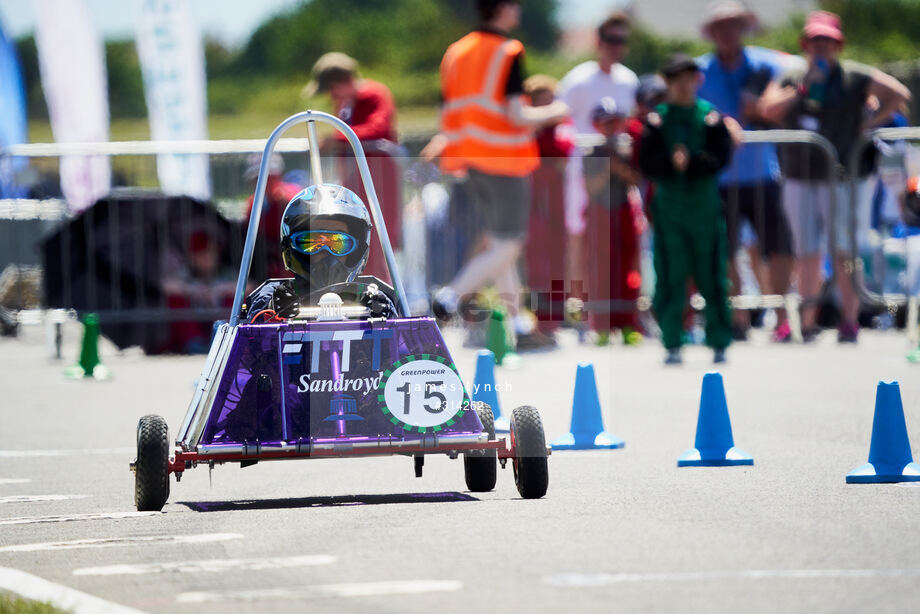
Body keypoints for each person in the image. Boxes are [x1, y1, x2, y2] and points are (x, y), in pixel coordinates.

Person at [759, 10, 911, 343]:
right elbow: (767, 109)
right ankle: (809, 321)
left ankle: (849, 319)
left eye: (827, 40)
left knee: (844, 249)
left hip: (843, 178)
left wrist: (870, 123)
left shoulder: (854, 75)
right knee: (807, 251)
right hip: (800, 176)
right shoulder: (793, 75)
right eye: (815, 40)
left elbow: (898, 93)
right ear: (805, 44)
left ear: (838, 44)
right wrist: (803, 88)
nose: (821, 47)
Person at [430, 0, 569, 350]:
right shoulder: (508, 51)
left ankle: (519, 325)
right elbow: (517, 115)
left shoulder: (455, 52)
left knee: (499, 244)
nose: (519, 10)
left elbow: (448, 110)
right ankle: (448, 299)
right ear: (503, 8)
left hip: (470, 160)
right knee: (509, 244)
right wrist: (558, 111)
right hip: (504, 161)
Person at [697, 1, 796, 342]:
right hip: (720, 178)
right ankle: (737, 318)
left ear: (744, 28)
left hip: (762, 173)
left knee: (778, 247)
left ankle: (782, 316)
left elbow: (797, 80)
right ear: (712, 32)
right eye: (721, 26)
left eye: (734, 24)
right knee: (725, 251)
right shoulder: (699, 71)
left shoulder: (768, 64)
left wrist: (772, 101)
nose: (728, 32)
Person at [639, 54, 734, 365]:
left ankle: (719, 339)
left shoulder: (710, 117)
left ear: (697, 80)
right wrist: (670, 164)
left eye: (688, 78)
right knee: (670, 274)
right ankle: (672, 340)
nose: (683, 85)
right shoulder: (657, 120)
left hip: (704, 209)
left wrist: (691, 162)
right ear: (667, 83)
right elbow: (647, 162)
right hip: (670, 210)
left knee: (712, 275)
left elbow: (721, 157)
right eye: (676, 79)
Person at [558, 12, 639, 298]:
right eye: (610, 39)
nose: (615, 46)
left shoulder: (629, 80)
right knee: (578, 233)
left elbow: (632, 124)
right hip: (583, 168)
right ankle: (578, 302)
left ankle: (620, 303)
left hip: (618, 171)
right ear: (598, 41)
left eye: (621, 40)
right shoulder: (578, 79)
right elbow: (560, 119)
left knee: (625, 234)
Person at [305, 52, 402, 284]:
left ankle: (386, 300)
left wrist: (336, 138)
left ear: (342, 81)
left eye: (331, 89)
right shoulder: (344, 105)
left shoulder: (376, 94)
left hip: (380, 183)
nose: (331, 96)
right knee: (357, 241)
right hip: (356, 184)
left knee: (379, 244)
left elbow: (377, 128)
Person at [242, 184, 396, 324]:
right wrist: (272, 315)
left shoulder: (375, 300)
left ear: (356, 251)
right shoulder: (271, 298)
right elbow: (250, 347)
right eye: (312, 242)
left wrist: (384, 320)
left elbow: (406, 350)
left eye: (338, 242)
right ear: (292, 249)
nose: (326, 253)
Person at [582, 97, 644, 345]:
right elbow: (591, 187)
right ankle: (601, 326)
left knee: (627, 269)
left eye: (614, 122)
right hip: (600, 213)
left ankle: (628, 323)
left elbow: (634, 181)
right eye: (605, 122)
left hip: (623, 212)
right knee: (600, 270)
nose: (610, 127)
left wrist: (621, 168)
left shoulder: (627, 149)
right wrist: (608, 168)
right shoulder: (592, 152)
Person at [523, 74, 575, 347]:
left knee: (557, 258)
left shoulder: (561, 128)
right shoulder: (527, 129)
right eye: (540, 98)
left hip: (556, 201)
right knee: (536, 262)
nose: (547, 104)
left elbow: (565, 151)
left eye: (549, 98)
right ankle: (536, 320)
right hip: (534, 201)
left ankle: (552, 320)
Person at [244, 153, 303, 281]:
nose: (264, 182)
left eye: (270, 177)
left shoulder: (294, 199)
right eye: (258, 178)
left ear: (279, 176)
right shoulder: (253, 205)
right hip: (270, 270)